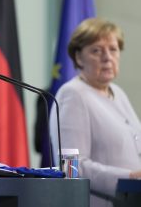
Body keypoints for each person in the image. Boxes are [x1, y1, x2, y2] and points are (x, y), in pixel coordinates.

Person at [49, 18, 141, 207]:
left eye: (113, 49)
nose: (107, 57)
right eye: (96, 50)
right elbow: (71, 166)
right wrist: (128, 177)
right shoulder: (72, 95)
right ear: (78, 57)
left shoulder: (118, 93)